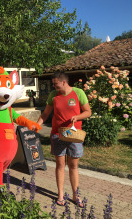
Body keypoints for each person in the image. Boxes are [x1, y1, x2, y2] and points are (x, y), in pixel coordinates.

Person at [37, 72, 91, 207]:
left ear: (63, 82)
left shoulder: (78, 93)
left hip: (74, 135)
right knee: (60, 165)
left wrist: (77, 117)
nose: (54, 86)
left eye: (55, 84)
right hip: (57, 134)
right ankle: (60, 195)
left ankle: (75, 195)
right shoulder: (53, 95)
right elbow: (45, 113)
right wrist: (37, 125)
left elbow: (88, 111)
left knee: (73, 166)